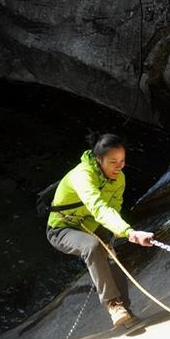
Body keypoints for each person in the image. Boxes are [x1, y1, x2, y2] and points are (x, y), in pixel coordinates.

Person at [46, 132, 154, 326]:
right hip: (61, 228)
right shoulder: (82, 176)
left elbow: (114, 208)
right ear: (98, 159)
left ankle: (126, 313)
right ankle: (113, 305)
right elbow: (98, 207)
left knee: (112, 259)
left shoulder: (119, 178)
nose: (119, 166)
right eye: (113, 161)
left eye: (122, 160)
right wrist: (129, 232)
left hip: (91, 224)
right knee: (93, 247)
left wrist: (111, 233)